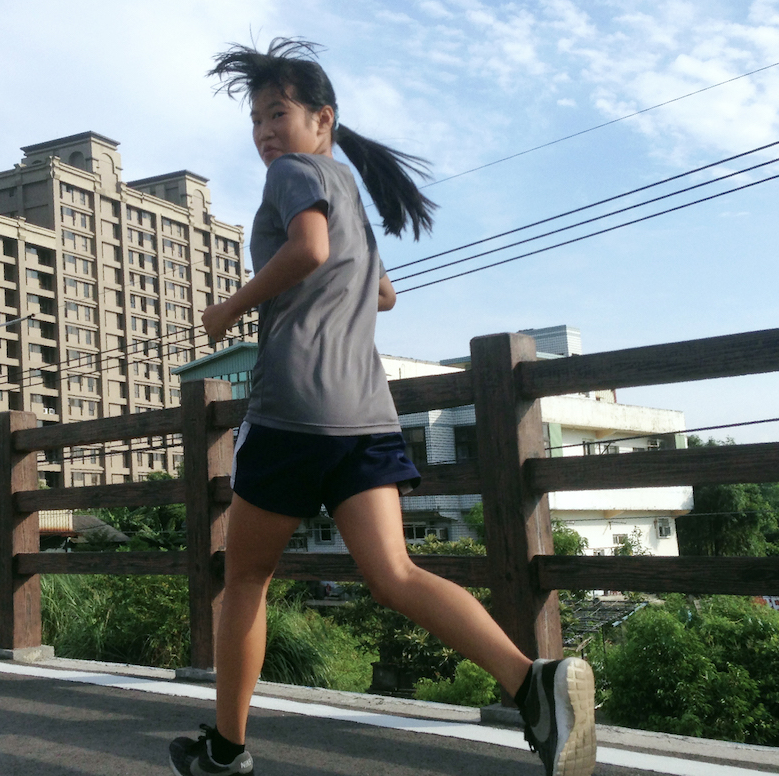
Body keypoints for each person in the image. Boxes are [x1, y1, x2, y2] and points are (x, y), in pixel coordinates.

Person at [168, 38, 596, 776]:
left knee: (244, 578)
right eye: (257, 121)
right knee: (394, 574)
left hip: (294, 409)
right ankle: (532, 680)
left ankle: (228, 748)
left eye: (279, 114)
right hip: (365, 413)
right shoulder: (346, 190)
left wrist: (228, 308)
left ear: (322, 121)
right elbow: (384, 292)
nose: (266, 132)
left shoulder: (293, 177)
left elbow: (306, 249)